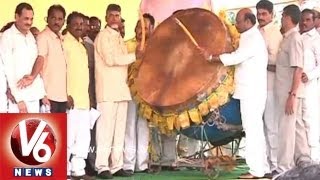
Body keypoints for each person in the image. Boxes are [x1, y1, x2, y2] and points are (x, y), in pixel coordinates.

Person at [200, 8, 269, 178]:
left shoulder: (252, 38)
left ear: (248, 21)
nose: (235, 24)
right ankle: (262, 168)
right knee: (255, 131)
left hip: (251, 92)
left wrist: (211, 58)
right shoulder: (250, 37)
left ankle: (256, 171)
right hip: (249, 91)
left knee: (253, 131)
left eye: (238, 21)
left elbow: (236, 57)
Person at [94, 4, 136, 179]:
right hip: (107, 91)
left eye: (117, 15)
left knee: (119, 130)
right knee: (105, 130)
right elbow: (111, 60)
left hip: (121, 90)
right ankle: (102, 166)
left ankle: (116, 165)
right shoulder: (103, 36)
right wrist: (136, 56)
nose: (113, 18)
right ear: (105, 18)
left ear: (120, 18)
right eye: (110, 15)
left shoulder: (119, 37)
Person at [274, 4, 311, 176]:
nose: (281, 19)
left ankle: (284, 169)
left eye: (282, 16)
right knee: (297, 128)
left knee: (286, 131)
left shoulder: (294, 38)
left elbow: (298, 68)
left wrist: (292, 95)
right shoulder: (287, 38)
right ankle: (305, 164)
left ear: (288, 18)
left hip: (289, 93)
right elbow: (283, 67)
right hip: (288, 91)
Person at [17, 4, 68, 113]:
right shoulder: (43, 37)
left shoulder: (61, 39)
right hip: (48, 96)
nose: (56, 22)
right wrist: (32, 76)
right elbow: (40, 58)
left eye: (60, 19)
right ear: (47, 19)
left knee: (60, 129)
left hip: (62, 96)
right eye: (53, 18)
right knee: (48, 129)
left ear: (64, 21)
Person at [0, 2, 48, 113]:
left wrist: (42, 94)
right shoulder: (8, 37)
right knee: (16, 130)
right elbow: (8, 69)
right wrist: (19, 99)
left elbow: (35, 66)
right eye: (26, 19)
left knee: (35, 129)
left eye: (31, 19)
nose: (29, 22)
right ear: (16, 17)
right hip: (18, 100)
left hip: (34, 96)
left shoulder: (30, 36)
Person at [124, 13, 155, 174]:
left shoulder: (157, 47)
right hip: (129, 90)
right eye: (138, 26)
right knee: (129, 125)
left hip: (148, 92)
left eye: (145, 27)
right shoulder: (127, 45)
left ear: (152, 29)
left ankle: (141, 164)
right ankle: (128, 164)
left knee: (144, 127)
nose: (141, 30)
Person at [256, 0, 283, 175]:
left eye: (264, 14)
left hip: (271, 86)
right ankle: (264, 165)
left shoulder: (276, 34)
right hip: (257, 86)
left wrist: (259, 63)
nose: (260, 17)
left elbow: (278, 63)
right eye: (258, 14)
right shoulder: (256, 32)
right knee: (261, 128)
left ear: (272, 14)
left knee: (272, 128)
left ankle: (275, 166)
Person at [64, 11, 91, 179]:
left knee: (83, 139)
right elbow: (60, 71)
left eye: (82, 24)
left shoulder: (81, 45)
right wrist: (65, 94)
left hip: (84, 100)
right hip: (70, 99)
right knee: (67, 138)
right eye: (76, 23)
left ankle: (78, 170)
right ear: (68, 25)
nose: (80, 27)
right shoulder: (64, 42)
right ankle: (64, 171)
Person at [300, 9, 320, 162]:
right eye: (303, 19)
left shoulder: (316, 40)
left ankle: (316, 161)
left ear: (314, 21)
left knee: (311, 122)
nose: (305, 22)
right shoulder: (298, 37)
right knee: (300, 123)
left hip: (311, 87)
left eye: (308, 20)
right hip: (297, 87)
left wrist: (310, 75)